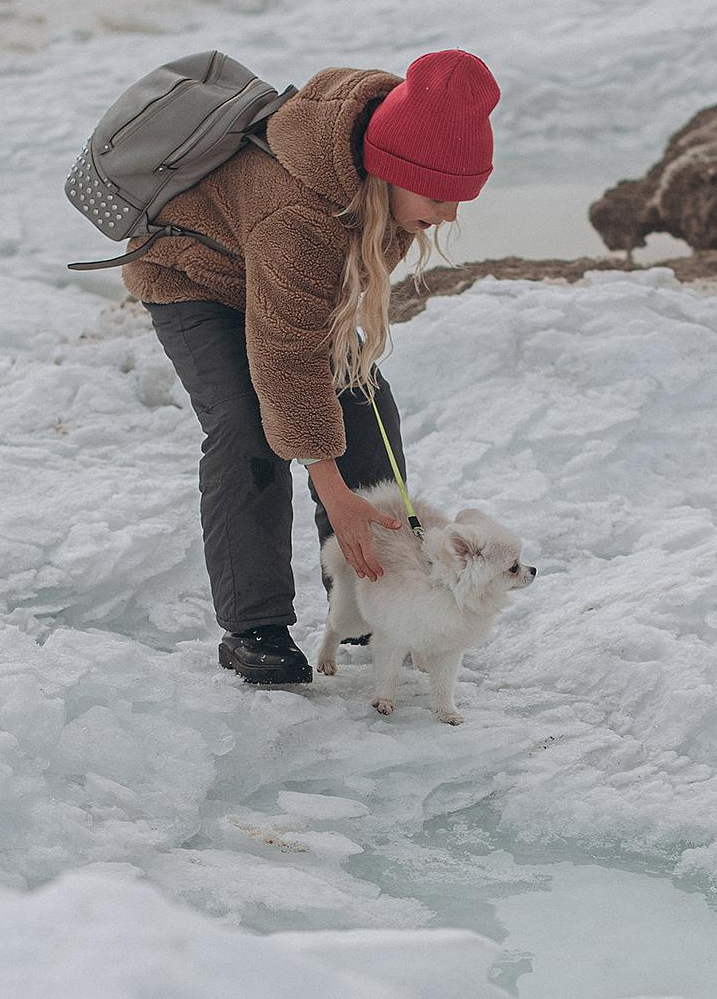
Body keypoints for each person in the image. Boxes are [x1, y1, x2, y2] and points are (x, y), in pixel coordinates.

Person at [125, 48, 501, 686]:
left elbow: (301, 322)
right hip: (192, 277)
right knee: (248, 427)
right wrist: (336, 494)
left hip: (279, 282)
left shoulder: (383, 175)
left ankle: (379, 603)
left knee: (365, 404)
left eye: (461, 198)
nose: (449, 215)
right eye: (439, 196)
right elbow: (285, 359)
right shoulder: (302, 213)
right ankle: (256, 627)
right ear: (392, 171)